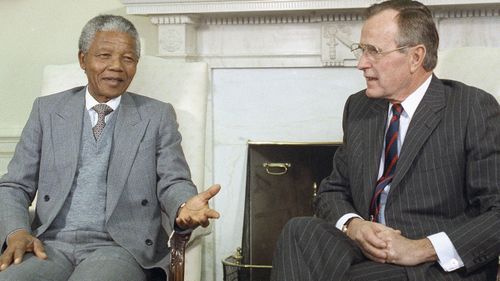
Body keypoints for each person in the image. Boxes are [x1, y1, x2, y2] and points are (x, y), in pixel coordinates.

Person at [271, 1, 500, 280]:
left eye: (374, 52)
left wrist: (421, 248)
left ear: (416, 57)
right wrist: (353, 225)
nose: (361, 64)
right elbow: (332, 190)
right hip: (366, 250)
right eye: (361, 49)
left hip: (430, 264)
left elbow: (496, 211)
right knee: (298, 232)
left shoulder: (471, 108)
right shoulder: (359, 108)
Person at [0, 14, 220, 281]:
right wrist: (16, 232)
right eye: (104, 55)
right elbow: (14, 186)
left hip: (120, 248)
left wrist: (183, 205)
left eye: (128, 58)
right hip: (50, 244)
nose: (116, 66)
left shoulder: (156, 116)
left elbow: (173, 180)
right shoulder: (47, 111)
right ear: (83, 60)